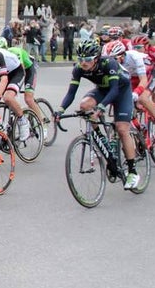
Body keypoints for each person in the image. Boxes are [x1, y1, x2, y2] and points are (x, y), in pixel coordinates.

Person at [55, 38, 142, 190]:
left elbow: (114, 90)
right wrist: (60, 110)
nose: (84, 63)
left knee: (122, 129)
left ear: (96, 58)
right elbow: (71, 93)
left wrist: (101, 108)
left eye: (87, 59)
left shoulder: (109, 63)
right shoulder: (79, 69)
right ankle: (99, 138)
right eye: (81, 59)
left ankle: (132, 171)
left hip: (121, 91)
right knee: (84, 106)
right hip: (102, 90)